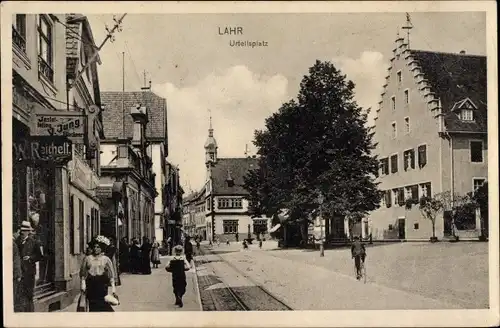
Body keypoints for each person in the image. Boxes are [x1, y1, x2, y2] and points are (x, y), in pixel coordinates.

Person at [80, 235, 117, 312]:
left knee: (103, 304)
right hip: (91, 285)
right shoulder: (87, 258)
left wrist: (113, 290)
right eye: (95, 247)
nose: (96, 249)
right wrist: (83, 285)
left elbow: (111, 275)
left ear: (102, 248)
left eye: (98, 247)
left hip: (102, 285)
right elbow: (83, 274)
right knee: (92, 305)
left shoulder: (106, 259)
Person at [16, 221, 43, 312]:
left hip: (29, 273)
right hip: (19, 272)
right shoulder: (16, 241)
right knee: (19, 295)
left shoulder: (34, 242)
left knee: (29, 294)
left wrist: (30, 258)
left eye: (24, 231)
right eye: (21, 230)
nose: (22, 232)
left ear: (28, 232)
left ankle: (30, 312)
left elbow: (40, 256)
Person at [13, 233, 23, 312]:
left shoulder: (13, 244)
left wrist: (18, 274)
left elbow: (16, 261)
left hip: (13, 275)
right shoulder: (15, 243)